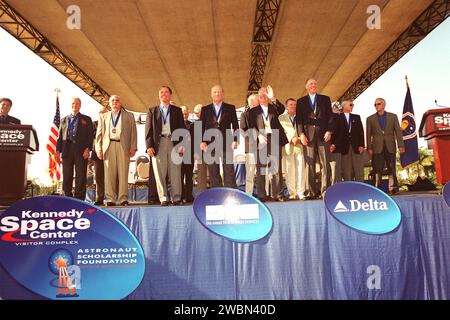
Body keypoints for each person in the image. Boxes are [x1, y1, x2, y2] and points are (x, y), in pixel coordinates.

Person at [145, 86, 185, 206]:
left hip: (174, 143)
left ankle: (176, 197)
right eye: (161, 92)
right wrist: (148, 146)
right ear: (159, 95)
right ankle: (163, 198)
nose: (164, 94)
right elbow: (148, 130)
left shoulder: (177, 110)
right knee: (159, 172)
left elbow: (182, 128)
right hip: (159, 143)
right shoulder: (152, 111)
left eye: (166, 92)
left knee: (175, 172)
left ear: (170, 95)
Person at [95, 95, 137, 206]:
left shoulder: (129, 116)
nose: (115, 102)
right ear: (109, 103)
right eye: (112, 101)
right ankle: (110, 198)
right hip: (108, 146)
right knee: (109, 174)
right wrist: (98, 148)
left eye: (117, 100)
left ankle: (123, 198)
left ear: (120, 103)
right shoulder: (104, 116)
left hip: (123, 146)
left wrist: (133, 147)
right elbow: (99, 134)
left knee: (123, 172)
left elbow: (133, 133)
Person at [296, 78, 334, 199]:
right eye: (311, 84)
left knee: (325, 164)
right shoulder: (301, 101)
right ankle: (311, 192)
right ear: (306, 87)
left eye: (315, 84)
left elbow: (330, 117)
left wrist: (329, 131)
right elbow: (299, 120)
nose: (313, 85)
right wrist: (301, 134)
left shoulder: (325, 99)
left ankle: (325, 192)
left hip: (323, 136)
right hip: (308, 137)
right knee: (309, 165)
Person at [249, 87, 288, 202]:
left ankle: (277, 194)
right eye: (260, 95)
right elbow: (251, 126)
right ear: (258, 98)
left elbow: (282, 109)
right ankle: (261, 195)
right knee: (261, 168)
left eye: (265, 95)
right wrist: (258, 136)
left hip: (274, 137)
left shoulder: (274, 108)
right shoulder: (253, 111)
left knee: (276, 168)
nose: (263, 97)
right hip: (261, 139)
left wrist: (273, 98)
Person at [200, 85, 239, 188]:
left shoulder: (230, 108)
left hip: (227, 143)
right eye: (215, 92)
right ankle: (217, 194)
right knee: (213, 171)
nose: (217, 94)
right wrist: (202, 141)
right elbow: (200, 127)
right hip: (210, 144)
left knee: (229, 169)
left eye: (219, 92)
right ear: (211, 95)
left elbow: (235, 125)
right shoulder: (205, 109)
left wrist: (236, 140)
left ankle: (230, 193)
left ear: (223, 94)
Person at [56, 97, 93, 200]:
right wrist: (57, 151)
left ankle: (79, 198)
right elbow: (59, 137)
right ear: (71, 105)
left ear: (80, 106)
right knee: (67, 174)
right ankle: (67, 197)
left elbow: (90, 136)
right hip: (67, 149)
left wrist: (88, 149)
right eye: (73, 103)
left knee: (81, 175)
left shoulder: (86, 119)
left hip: (81, 150)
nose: (75, 105)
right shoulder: (63, 120)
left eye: (77, 104)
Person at [366, 98, 405, 194]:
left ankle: (393, 189)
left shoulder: (393, 117)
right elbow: (368, 134)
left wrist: (401, 145)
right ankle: (377, 190)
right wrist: (369, 147)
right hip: (377, 148)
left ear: (384, 105)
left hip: (390, 146)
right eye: (375, 104)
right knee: (377, 169)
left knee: (391, 168)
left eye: (378, 104)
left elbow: (398, 132)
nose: (376, 106)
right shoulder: (370, 119)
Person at [279, 98, 306, 200]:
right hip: (288, 146)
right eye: (291, 104)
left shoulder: (301, 117)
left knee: (300, 170)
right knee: (289, 170)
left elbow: (305, 129)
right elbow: (281, 132)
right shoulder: (281, 118)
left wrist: (299, 139)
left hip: (299, 146)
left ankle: (301, 192)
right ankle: (292, 193)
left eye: (295, 104)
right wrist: (291, 139)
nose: (293, 106)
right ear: (286, 106)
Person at [339, 100, 365, 182]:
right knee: (346, 170)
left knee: (359, 168)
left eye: (352, 105)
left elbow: (361, 132)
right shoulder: (338, 117)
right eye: (351, 105)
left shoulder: (356, 117)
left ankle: (360, 188)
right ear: (344, 106)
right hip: (344, 147)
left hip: (356, 146)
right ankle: (349, 189)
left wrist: (362, 145)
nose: (352, 106)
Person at [240, 93, 259, 196]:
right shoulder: (245, 115)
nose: (260, 101)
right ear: (251, 102)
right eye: (258, 100)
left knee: (264, 173)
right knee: (250, 173)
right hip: (251, 148)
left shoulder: (263, 113)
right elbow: (242, 130)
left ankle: (264, 193)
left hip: (264, 148)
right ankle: (249, 194)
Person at [90, 105, 108, 205]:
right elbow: (90, 139)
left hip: (110, 153)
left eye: (105, 112)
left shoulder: (112, 124)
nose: (103, 114)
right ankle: (99, 198)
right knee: (99, 177)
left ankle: (111, 198)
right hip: (97, 154)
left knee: (111, 177)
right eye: (101, 112)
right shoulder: (93, 124)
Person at [180, 105, 194, 203]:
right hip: (179, 155)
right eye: (182, 114)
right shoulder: (176, 125)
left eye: (186, 113)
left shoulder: (192, 125)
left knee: (189, 176)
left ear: (188, 114)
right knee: (179, 176)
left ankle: (189, 196)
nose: (184, 115)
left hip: (190, 154)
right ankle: (180, 195)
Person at [193, 104, 208, 194]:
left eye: (198, 113)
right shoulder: (196, 124)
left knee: (214, 174)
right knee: (201, 174)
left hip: (211, 151)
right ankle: (200, 194)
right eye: (195, 113)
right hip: (200, 153)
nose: (196, 115)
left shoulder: (210, 122)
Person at [329, 105, 343, 185]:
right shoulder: (323, 117)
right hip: (324, 148)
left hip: (335, 148)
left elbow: (341, 133)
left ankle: (336, 188)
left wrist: (334, 145)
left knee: (336, 170)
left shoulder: (338, 118)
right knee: (327, 170)